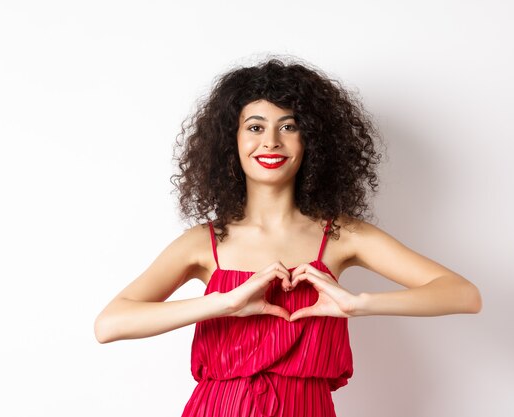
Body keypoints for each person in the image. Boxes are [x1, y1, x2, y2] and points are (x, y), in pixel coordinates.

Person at [94, 57, 482, 417]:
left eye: (289, 126)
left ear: (311, 140)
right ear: (232, 141)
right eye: (255, 127)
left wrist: (358, 303)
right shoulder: (204, 242)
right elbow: (110, 324)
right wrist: (222, 303)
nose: (271, 142)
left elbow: (463, 294)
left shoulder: (344, 235)